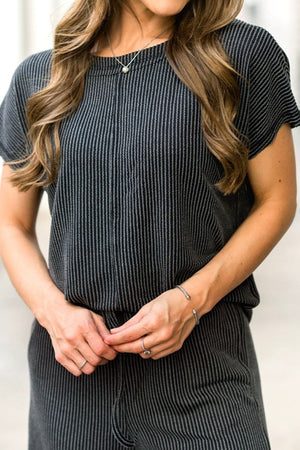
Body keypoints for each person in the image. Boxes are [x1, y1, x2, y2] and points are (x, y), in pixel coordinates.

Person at [0, 0, 299, 448]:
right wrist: (53, 312)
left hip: (204, 375)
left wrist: (191, 301)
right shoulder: (41, 79)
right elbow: (11, 223)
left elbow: (277, 199)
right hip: (73, 381)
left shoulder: (243, 56)